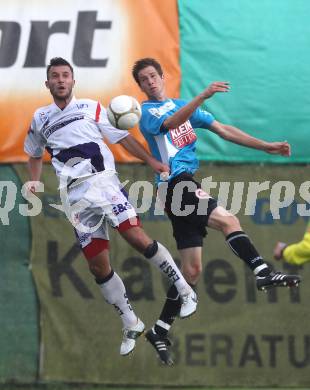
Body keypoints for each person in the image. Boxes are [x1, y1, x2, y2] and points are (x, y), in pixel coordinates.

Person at [24, 57, 198, 358]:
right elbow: (34, 153)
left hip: (102, 182)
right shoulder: (40, 118)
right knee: (97, 265)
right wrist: (34, 182)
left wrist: (153, 162)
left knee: (135, 237)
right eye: (55, 76)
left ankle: (184, 288)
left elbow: (123, 138)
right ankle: (130, 322)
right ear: (48, 83)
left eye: (66, 75)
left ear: (73, 81)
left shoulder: (91, 107)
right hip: (74, 197)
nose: (61, 80)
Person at [131, 57, 301, 365]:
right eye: (144, 79)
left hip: (181, 185)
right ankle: (262, 272)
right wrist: (203, 95)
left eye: (154, 75)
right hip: (175, 183)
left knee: (192, 271)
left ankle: (160, 329)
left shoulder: (183, 105)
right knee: (228, 219)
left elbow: (223, 129)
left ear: (162, 76)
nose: (151, 81)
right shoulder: (146, 113)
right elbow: (169, 124)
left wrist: (266, 147)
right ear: (140, 86)